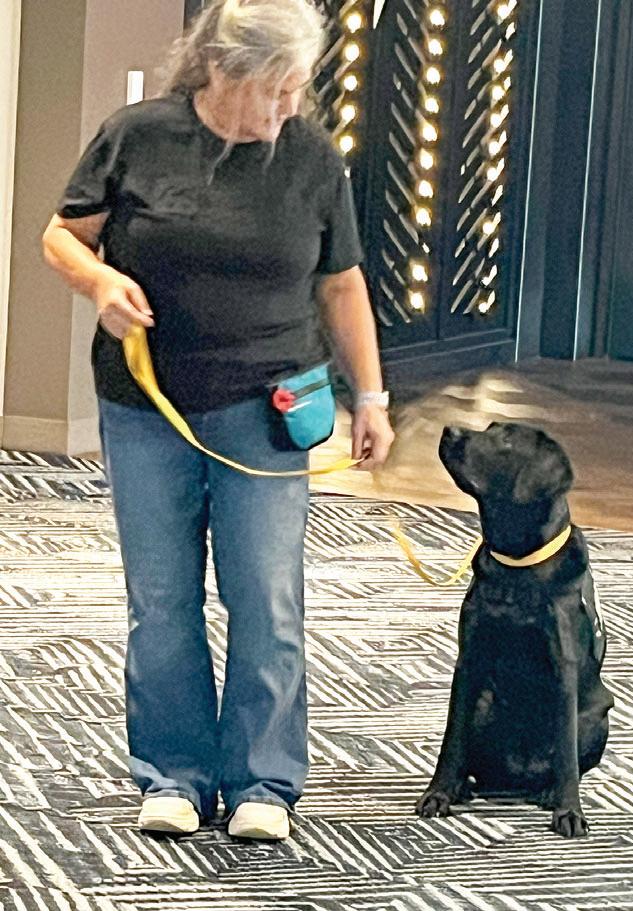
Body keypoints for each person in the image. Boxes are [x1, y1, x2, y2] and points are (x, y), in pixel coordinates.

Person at [42, 0, 394, 841]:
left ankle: (263, 780)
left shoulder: (312, 157)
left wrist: (372, 397)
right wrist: (100, 283)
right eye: (276, 88)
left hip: (270, 409)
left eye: (298, 88)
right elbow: (62, 236)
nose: (289, 107)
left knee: (265, 596)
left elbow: (341, 283)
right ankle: (174, 775)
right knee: (161, 596)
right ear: (223, 71)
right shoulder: (137, 137)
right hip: (146, 409)